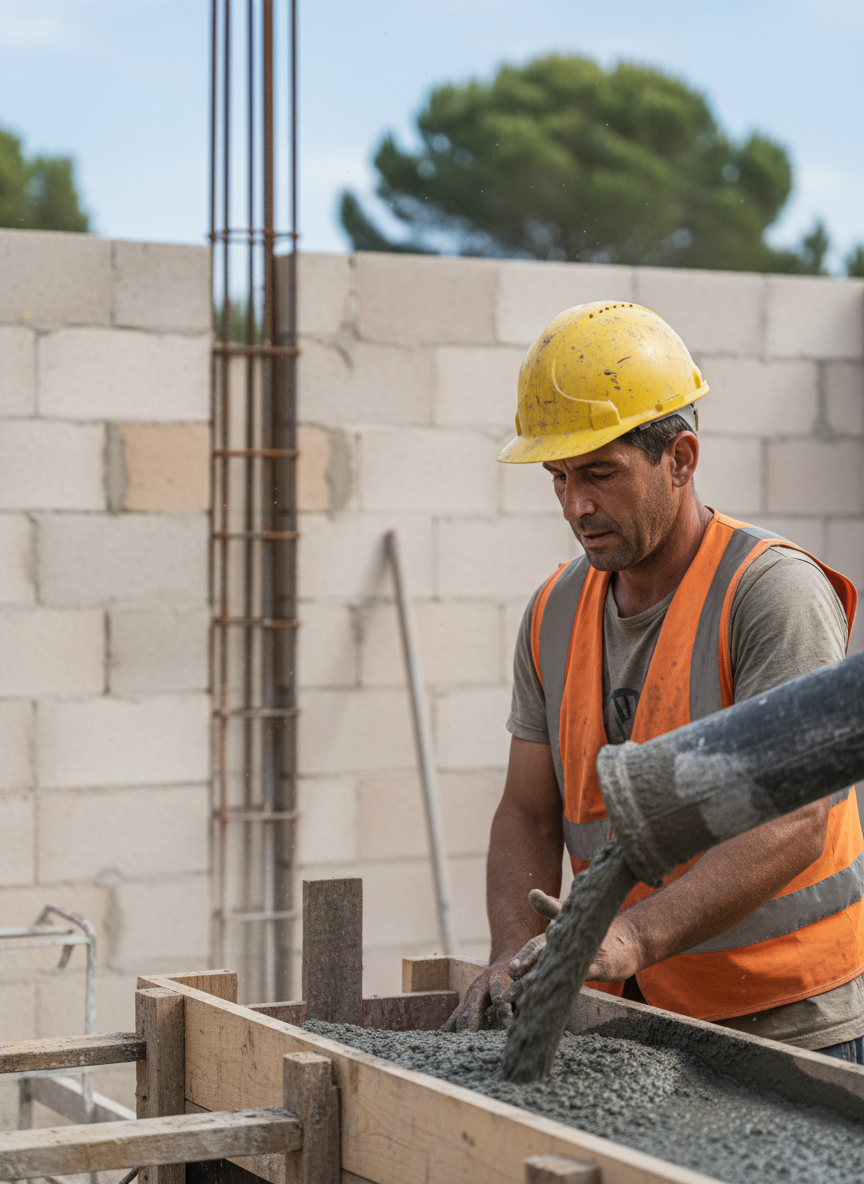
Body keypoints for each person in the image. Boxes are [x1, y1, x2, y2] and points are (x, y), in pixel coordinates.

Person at [445, 301, 864, 1062]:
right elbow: (528, 812)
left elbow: (796, 821)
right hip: (637, 1029)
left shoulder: (769, 593)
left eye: (601, 473)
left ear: (681, 459)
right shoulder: (553, 613)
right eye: (560, 476)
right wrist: (516, 946)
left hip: (791, 1024)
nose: (576, 505)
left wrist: (634, 935)